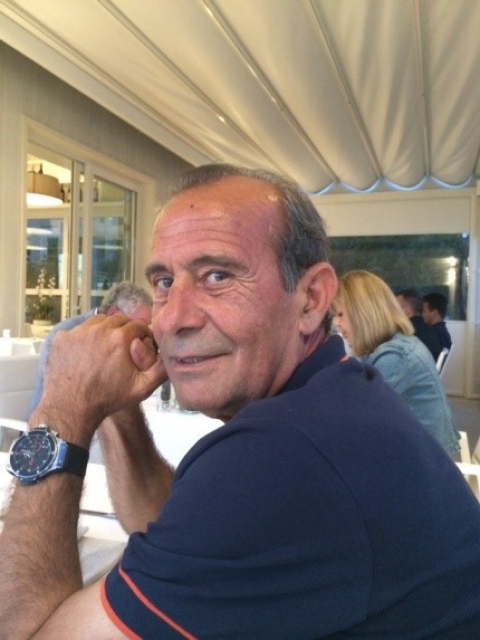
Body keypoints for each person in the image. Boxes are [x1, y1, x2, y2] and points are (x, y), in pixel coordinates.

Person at [1, 164, 480, 639]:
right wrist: (111, 404)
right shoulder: (334, 393)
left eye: (216, 276)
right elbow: (169, 524)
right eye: (164, 282)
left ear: (312, 299)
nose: (171, 320)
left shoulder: (283, 454)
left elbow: (21, 631)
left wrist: (63, 411)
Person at [334, 270, 460, 457]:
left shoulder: (395, 356)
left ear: (362, 313)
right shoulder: (395, 344)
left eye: (340, 314)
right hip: (425, 447)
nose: (337, 323)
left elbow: (360, 418)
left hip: (429, 458)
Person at [27, 281, 153, 416]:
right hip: (52, 423)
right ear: (114, 315)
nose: (145, 336)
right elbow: (63, 401)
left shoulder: (124, 342)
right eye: (139, 327)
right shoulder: (67, 334)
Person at [395, 288, 443, 360]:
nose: (390, 312)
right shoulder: (431, 330)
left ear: (406, 311)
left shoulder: (404, 332)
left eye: (394, 307)